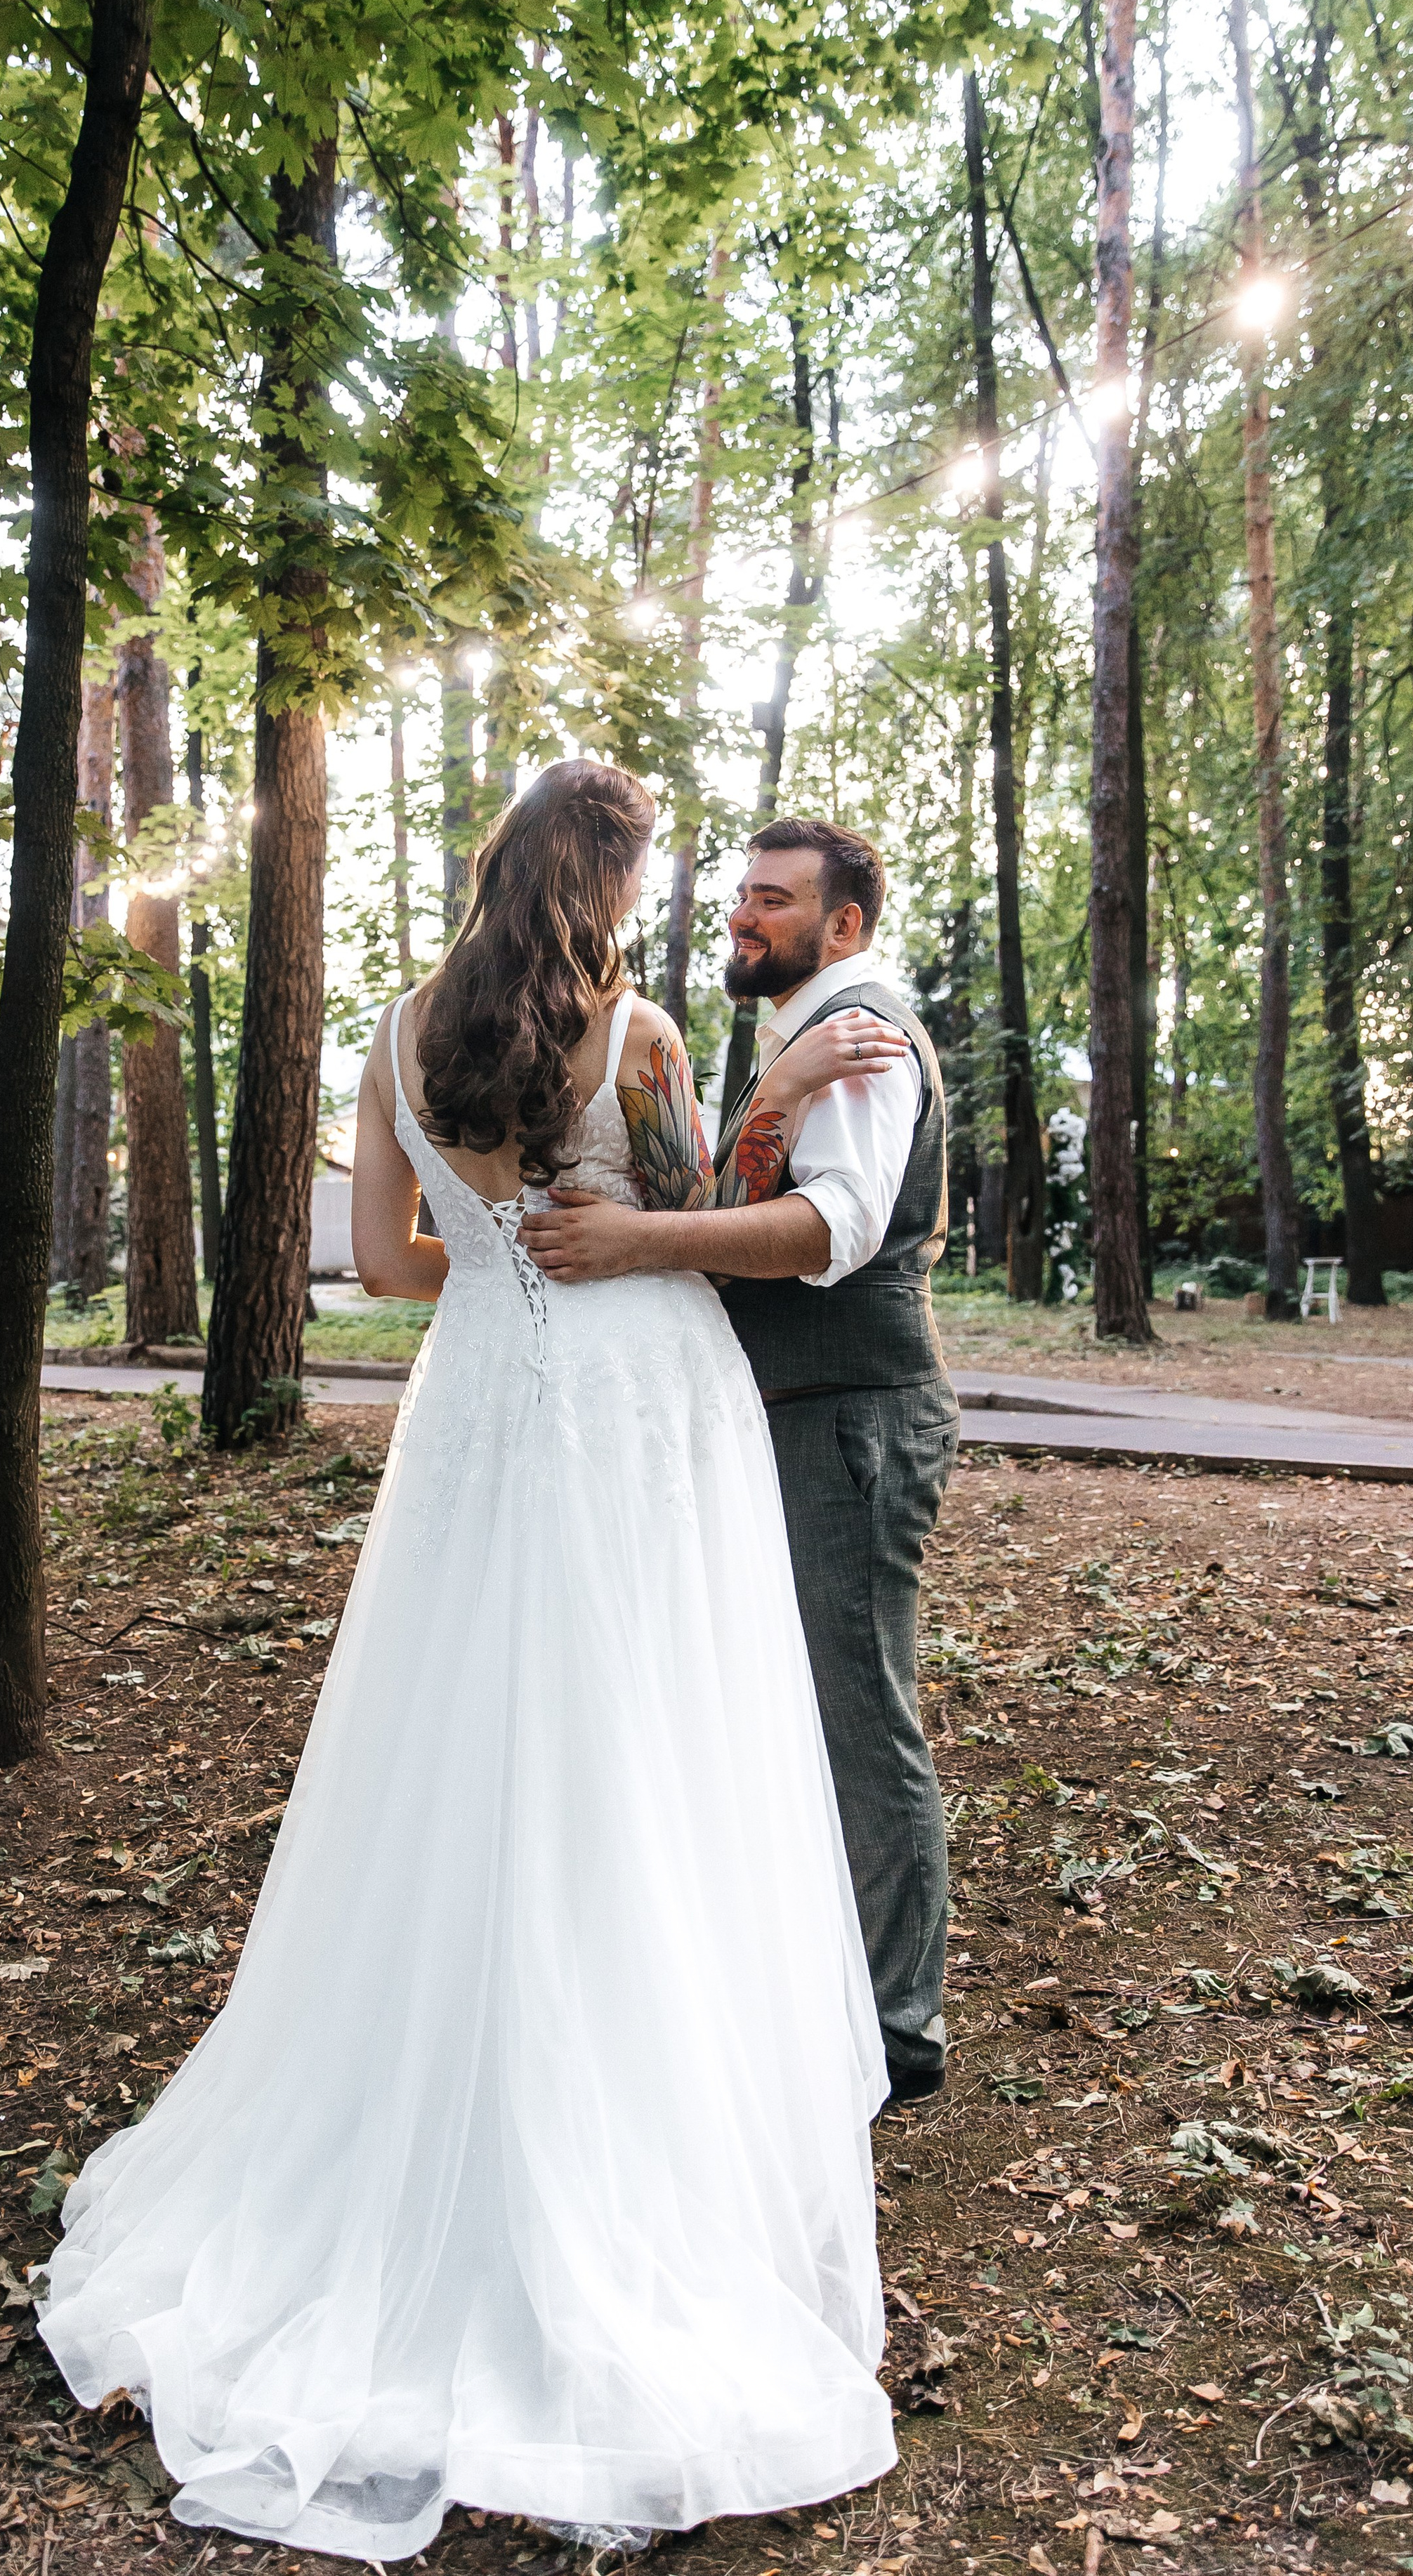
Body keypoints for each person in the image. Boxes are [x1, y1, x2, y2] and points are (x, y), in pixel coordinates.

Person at [39, 763, 912, 2561]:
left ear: (496, 865)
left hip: (481, 1413)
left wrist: (496, 1236)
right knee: (645, 1738)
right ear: (602, 882)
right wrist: (766, 1093)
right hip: (642, 1398)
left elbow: (381, 1268)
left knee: (466, 1739)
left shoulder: (392, 1029)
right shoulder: (643, 1031)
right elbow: (688, 1227)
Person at [519, 817, 958, 2105]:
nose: (743, 918)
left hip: (848, 1413)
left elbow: (833, 1229)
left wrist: (643, 1246)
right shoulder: (802, 1038)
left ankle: (894, 2029)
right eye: (741, 897)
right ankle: (820, 1988)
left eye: (775, 900)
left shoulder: (863, 1035)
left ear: (846, 924)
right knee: (784, 1703)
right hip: (789, 1407)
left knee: (854, 1709)